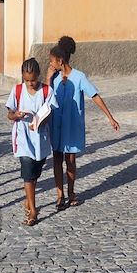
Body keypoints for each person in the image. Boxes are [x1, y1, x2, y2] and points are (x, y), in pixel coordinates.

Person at [48, 36, 119, 210]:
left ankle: (71, 192)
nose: (50, 64)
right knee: (57, 159)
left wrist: (110, 117)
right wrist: (48, 79)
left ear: (60, 60)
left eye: (51, 61)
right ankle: (59, 195)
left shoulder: (79, 77)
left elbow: (94, 95)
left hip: (72, 125)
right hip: (56, 124)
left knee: (70, 159)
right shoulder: (54, 77)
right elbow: (44, 97)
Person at [6, 58, 57, 226]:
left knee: (36, 172)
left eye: (33, 79)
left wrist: (40, 120)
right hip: (23, 139)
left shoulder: (46, 91)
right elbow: (9, 113)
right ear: (22, 77)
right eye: (27, 80)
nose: (30, 83)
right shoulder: (18, 90)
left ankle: (29, 198)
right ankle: (33, 210)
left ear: (39, 75)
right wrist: (16, 115)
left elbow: (50, 112)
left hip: (40, 139)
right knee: (27, 173)